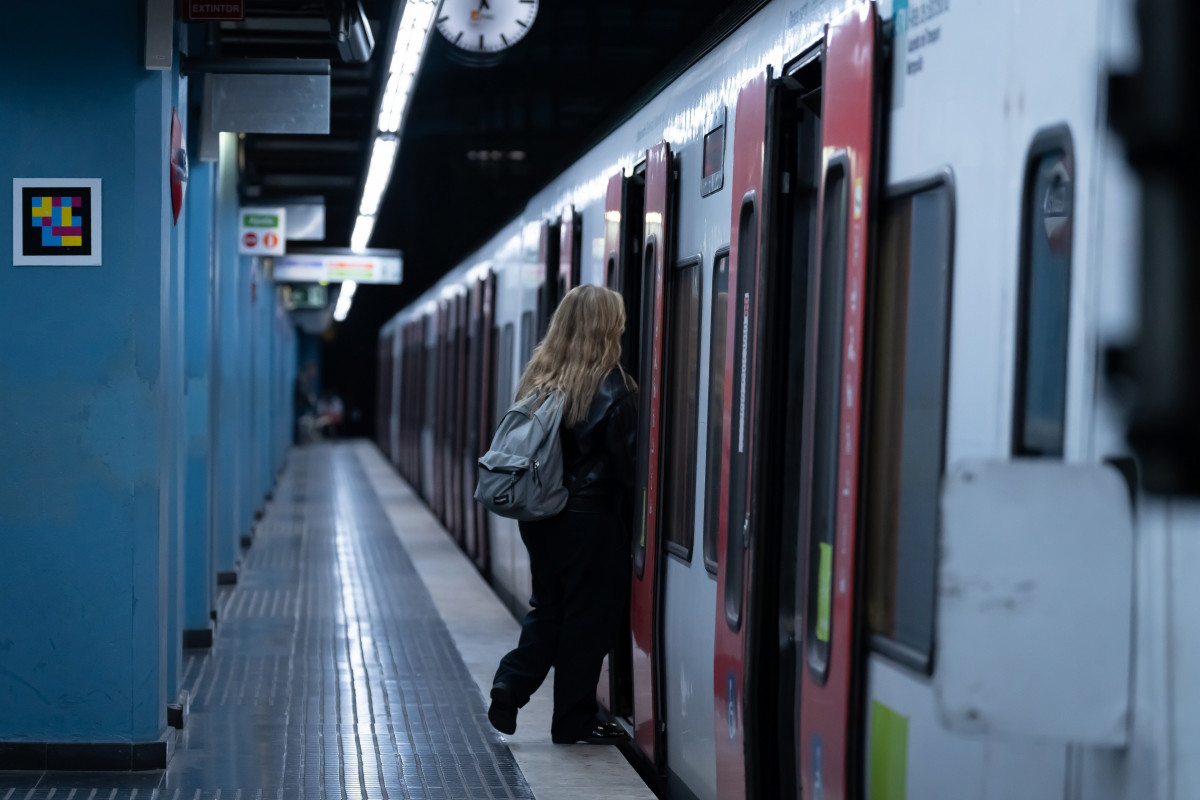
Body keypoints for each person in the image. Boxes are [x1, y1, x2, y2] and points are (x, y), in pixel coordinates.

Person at [487, 284, 637, 745]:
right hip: (590, 522)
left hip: (540, 516)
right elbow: (627, 469)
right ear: (608, 327)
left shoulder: (539, 377)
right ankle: (572, 720)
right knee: (588, 620)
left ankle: (511, 684)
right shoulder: (615, 388)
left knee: (549, 606)